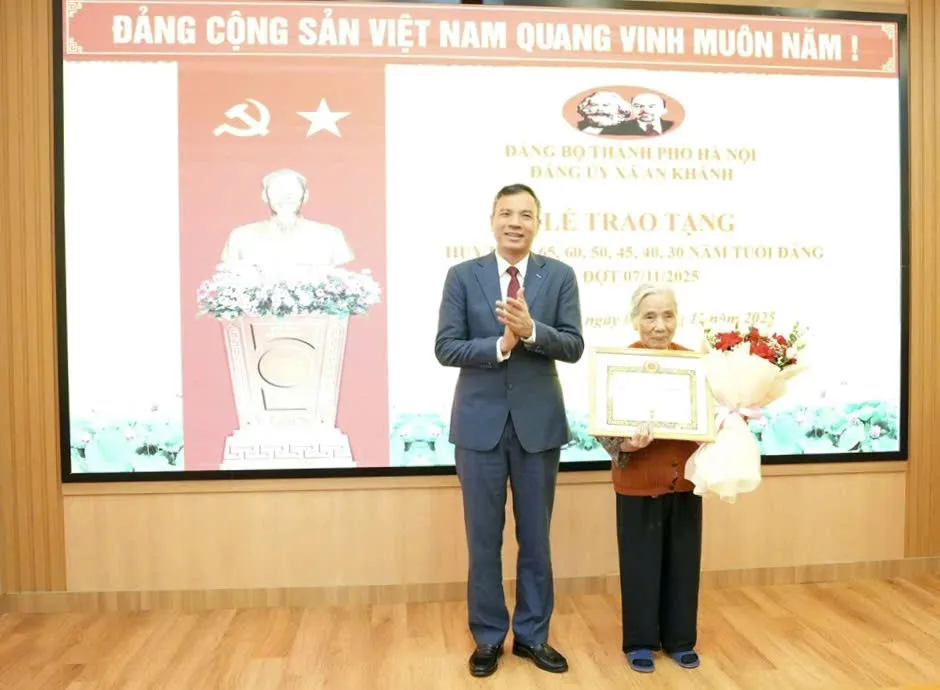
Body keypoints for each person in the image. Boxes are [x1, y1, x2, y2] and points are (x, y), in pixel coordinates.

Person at [434, 183, 584, 678]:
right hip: (479, 428)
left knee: (536, 538)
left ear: (538, 223)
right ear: (492, 220)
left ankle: (533, 635)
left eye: (525, 214)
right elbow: (446, 347)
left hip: (538, 427)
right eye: (506, 213)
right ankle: (488, 637)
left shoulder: (558, 276)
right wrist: (500, 345)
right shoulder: (463, 276)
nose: (515, 222)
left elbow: (573, 345)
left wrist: (532, 331)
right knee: (483, 540)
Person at [595, 283, 703, 674]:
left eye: (668, 315)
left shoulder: (696, 364)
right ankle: (640, 642)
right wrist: (626, 442)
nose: (660, 325)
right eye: (650, 316)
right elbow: (603, 427)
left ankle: (680, 640)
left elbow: (711, 420)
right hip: (637, 482)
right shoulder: (618, 365)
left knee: (683, 564)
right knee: (640, 565)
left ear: (678, 318)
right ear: (634, 321)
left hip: (685, 481)